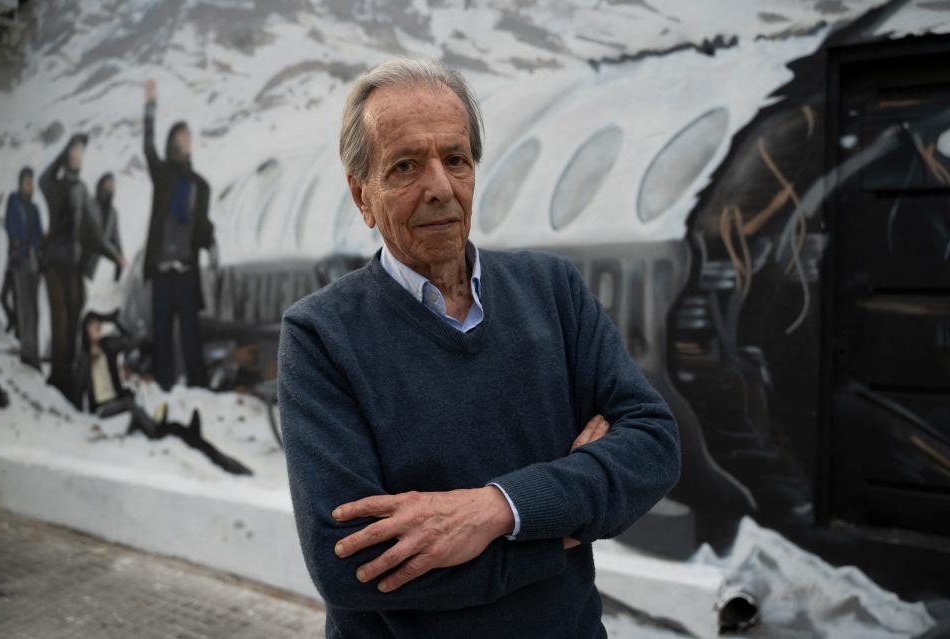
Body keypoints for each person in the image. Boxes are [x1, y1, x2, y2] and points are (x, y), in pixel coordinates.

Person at [277, 59, 681, 638]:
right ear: (361, 193)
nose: (440, 187)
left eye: (456, 159)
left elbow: (653, 443)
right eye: (406, 166)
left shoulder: (555, 292)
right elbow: (352, 564)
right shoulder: (320, 336)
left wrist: (497, 509)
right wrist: (566, 526)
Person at [38, 135, 126, 404]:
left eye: (80, 153)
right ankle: (58, 378)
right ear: (66, 156)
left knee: (75, 320)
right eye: (74, 153)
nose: (78, 157)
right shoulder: (54, 185)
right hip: (54, 262)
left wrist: (116, 257)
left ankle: (69, 381)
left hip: (75, 266)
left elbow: (96, 236)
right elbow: (42, 179)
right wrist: (66, 149)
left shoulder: (84, 191)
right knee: (61, 320)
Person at [141, 79, 216, 391]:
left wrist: (210, 241)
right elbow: (147, 147)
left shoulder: (200, 185)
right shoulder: (163, 176)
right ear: (173, 141)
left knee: (190, 333)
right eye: (181, 136)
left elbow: (201, 227)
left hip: (186, 271)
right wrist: (149, 107)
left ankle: (198, 388)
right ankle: (163, 386)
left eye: (189, 137)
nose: (186, 141)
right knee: (161, 333)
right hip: (162, 271)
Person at [4, 167, 43, 367]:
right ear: (21, 183)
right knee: (24, 307)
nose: (29, 184)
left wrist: (37, 252)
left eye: (31, 181)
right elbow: (12, 227)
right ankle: (27, 353)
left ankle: (32, 352)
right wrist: (18, 247)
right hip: (19, 262)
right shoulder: (14, 202)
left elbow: (38, 234)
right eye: (26, 181)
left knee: (34, 310)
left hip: (33, 264)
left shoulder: (34, 208)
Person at [82, 172, 124, 282]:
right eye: (107, 184)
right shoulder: (88, 205)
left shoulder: (113, 214)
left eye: (112, 185)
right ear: (101, 185)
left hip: (91, 269)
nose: (110, 187)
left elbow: (116, 240)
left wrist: (119, 265)